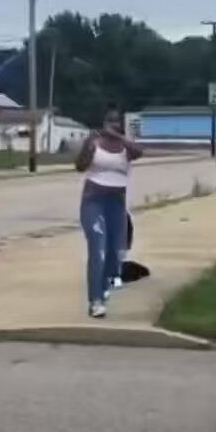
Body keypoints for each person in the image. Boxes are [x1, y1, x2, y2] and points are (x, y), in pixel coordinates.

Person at [76, 108, 143, 318]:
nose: (114, 124)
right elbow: (79, 166)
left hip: (116, 204)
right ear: (103, 123)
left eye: (117, 121)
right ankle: (96, 301)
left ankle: (104, 289)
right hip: (93, 201)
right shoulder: (94, 144)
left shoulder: (126, 147)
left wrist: (120, 137)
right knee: (98, 249)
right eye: (110, 121)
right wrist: (87, 147)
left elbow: (139, 152)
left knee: (115, 253)